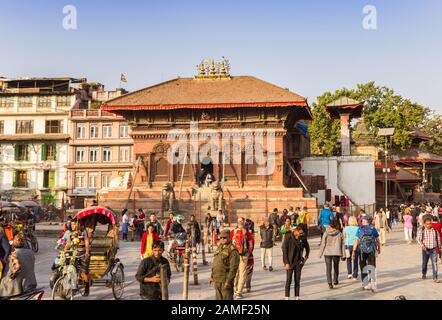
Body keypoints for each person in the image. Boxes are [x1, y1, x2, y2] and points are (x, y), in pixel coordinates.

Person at [0, 233, 37, 297]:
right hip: (31, 282)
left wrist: (10, 278)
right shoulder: (31, 253)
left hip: (17, 287)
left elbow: (16, 268)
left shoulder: (14, 255)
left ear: (13, 243)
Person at [209, 229, 240, 300]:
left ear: (229, 238)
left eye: (224, 238)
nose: (222, 239)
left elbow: (233, 268)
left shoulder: (232, 250)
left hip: (225, 281)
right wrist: (212, 276)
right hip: (217, 280)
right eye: (221, 238)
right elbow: (216, 263)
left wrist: (228, 282)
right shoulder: (220, 247)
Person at [64, 217, 91, 295]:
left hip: (84, 254)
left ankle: (87, 288)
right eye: (71, 224)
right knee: (72, 270)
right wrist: (65, 250)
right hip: (75, 254)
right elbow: (68, 243)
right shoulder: (70, 233)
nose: (72, 226)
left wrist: (87, 252)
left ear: (78, 224)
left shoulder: (83, 232)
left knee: (84, 273)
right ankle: (73, 287)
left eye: (74, 224)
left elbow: (86, 242)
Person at [353, 216, 381, 291]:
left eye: (363, 220)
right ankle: (373, 284)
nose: (362, 221)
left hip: (362, 250)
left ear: (365, 221)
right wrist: (379, 248)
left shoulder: (360, 229)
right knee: (372, 266)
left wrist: (353, 251)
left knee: (363, 266)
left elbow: (356, 240)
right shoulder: (373, 229)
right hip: (371, 250)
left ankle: (365, 284)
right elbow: (378, 239)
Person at [282, 226, 310, 300]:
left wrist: (305, 258)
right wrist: (286, 262)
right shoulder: (288, 236)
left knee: (297, 280)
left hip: (298, 262)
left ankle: (297, 297)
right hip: (290, 262)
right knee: (288, 280)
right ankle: (286, 297)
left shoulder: (303, 238)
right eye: (300, 233)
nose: (300, 234)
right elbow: (284, 250)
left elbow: (307, 248)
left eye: (302, 233)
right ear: (296, 231)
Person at [230, 217, 253, 299]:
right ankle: (239, 292)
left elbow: (230, 244)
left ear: (237, 222)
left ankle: (235, 290)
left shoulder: (233, 232)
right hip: (244, 255)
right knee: (242, 273)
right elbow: (250, 245)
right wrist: (248, 254)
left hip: (235, 255)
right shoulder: (247, 232)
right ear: (243, 223)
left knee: (235, 272)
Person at [318, 220, 345, 289]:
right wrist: (343, 254)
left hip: (327, 252)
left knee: (328, 268)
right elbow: (343, 245)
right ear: (336, 226)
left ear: (329, 225)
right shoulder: (339, 233)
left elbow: (323, 244)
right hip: (336, 252)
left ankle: (330, 283)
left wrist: (320, 254)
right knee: (336, 266)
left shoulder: (326, 233)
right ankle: (335, 280)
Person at [417, 216, 441, 282]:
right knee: (425, 263)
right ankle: (424, 273)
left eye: (430, 223)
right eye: (427, 224)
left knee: (434, 263)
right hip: (425, 250)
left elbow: (438, 240)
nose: (429, 225)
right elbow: (418, 239)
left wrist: (439, 249)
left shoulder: (435, 231)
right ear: (424, 224)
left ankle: (435, 277)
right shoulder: (422, 231)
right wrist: (422, 246)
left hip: (433, 250)